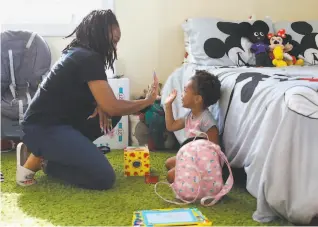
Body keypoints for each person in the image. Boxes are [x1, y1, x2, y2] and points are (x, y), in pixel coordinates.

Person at [16, 9, 159, 190]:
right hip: (43, 129)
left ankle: (48, 152)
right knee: (104, 177)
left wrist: (100, 103)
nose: (115, 48)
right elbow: (114, 106)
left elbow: (84, 96)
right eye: (113, 41)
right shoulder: (88, 58)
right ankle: (45, 162)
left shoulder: (81, 53)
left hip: (55, 124)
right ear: (99, 34)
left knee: (110, 114)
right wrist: (148, 100)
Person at [164, 70, 221, 183]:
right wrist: (168, 105)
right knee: (169, 163)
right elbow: (171, 126)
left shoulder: (206, 121)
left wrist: (199, 166)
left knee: (171, 176)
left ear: (197, 99)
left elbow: (215, 151)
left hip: (203, 162)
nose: (182, 94)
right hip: (191, 157)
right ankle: (186, 173)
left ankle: (196, 178)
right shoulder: (190, 115)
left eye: (185, 91)